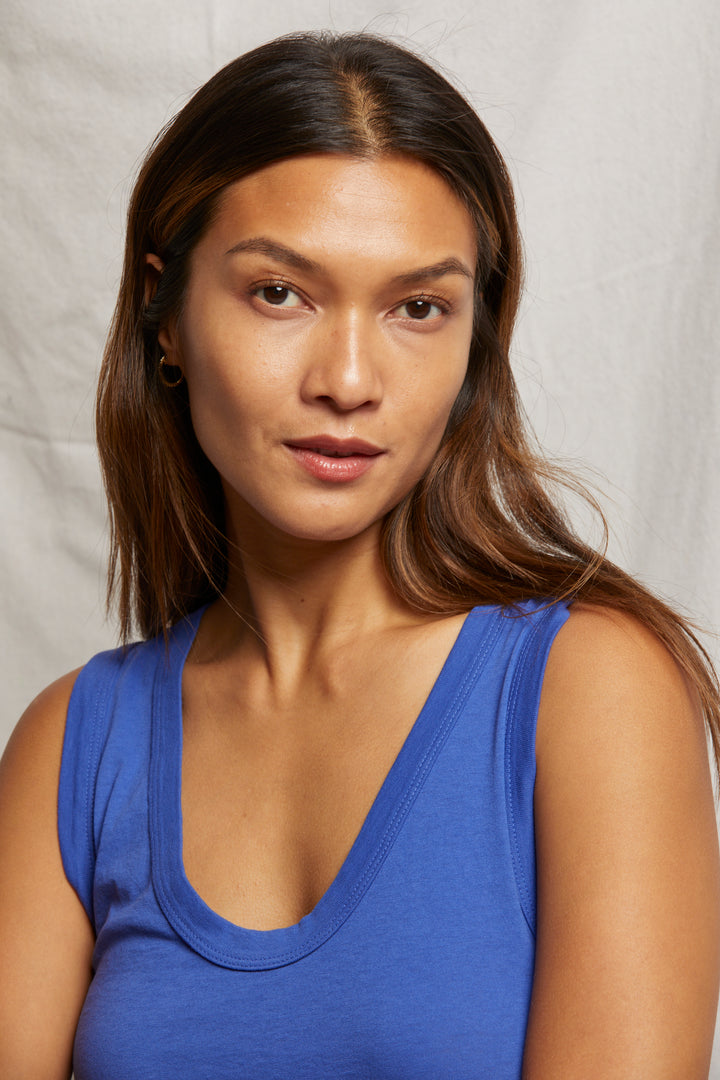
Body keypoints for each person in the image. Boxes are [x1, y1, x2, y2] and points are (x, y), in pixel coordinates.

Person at [1, 30, 719, 1079]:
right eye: (279, 293)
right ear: (166, 316)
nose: (348, 379)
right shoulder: (74, 747)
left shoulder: (590, 692)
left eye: (418, 308)